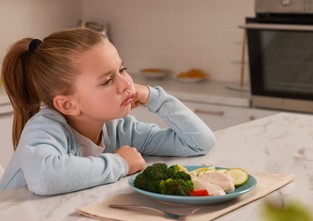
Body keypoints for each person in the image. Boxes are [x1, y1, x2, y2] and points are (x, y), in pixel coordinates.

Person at [0, 28, 216, 195]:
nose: (127, 83)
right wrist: (120, 163)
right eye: (107, 80)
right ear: (68, 105)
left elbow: (199, 142)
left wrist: (155, 97)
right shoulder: (44, 127)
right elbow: (44, 179)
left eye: (122, 69)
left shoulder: (120, 130)